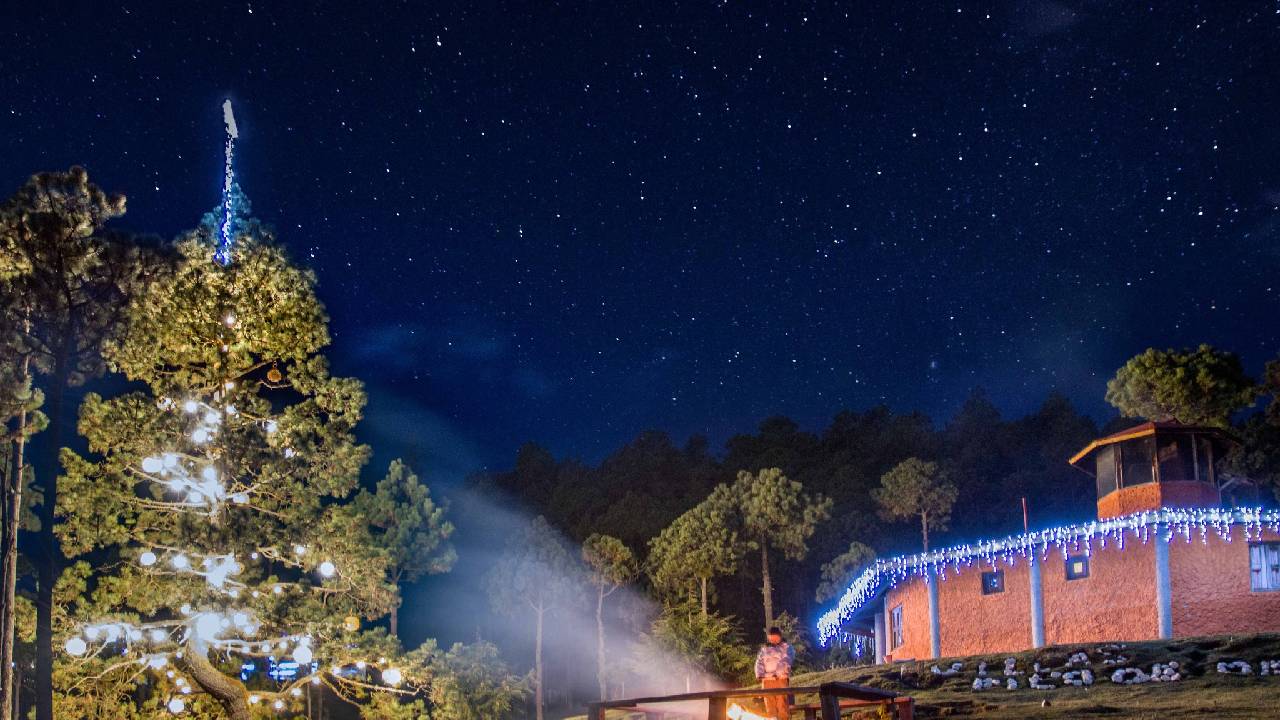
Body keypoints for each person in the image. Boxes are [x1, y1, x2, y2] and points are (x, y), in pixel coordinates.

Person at [754, 626, 794, 719]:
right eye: (771, 638)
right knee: (769, 704)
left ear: (779, 636)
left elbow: (786, 660)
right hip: (767, 681)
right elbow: (759, 662)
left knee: (782, 704)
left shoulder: (786, 647)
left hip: (780, 679)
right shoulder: (764, 649)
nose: (773, 640)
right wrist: (760, 674)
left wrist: (778, 673)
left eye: (775, 637)